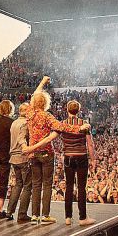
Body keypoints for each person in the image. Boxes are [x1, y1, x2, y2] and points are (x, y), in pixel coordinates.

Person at [24, 78, 89, 224]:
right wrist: (79, 128)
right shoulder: (47, 116)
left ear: (34, 102)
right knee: (47, 185)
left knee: (36, 185)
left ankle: (34, 216)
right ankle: (45, 215)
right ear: (46, 103)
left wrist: (42, 82)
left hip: (33, 154)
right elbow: (62, 127)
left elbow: (35, 94)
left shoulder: (29, 113)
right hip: (46, 152)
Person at [59, 100, 96, 226]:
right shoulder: (84, 124)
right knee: (81, 187)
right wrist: (93, 159)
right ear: (79, 110)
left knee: (69, 187)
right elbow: (90, 144)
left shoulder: (62, 124)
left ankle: (68, 217)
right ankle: (82, 217)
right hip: (81, 156)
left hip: (68, 156)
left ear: (67, 109)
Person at [5, 102, 33, 223]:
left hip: (13, 157)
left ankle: (9, 211)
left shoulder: (14, 123)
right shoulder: (26, 123)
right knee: (27, 186)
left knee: (18, 184)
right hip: (23, 156)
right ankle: (22, 214)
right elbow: (24, 140)